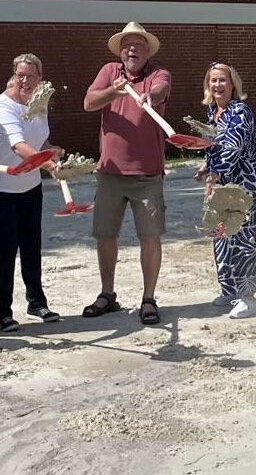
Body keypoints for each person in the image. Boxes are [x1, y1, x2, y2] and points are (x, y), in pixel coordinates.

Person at [81, 22, 172, 326]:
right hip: (110, 171)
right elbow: (89, 102)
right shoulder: (109, 71)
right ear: (120, 51)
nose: (132, 50)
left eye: (138, 45)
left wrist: (149, 96)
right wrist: (114, 90)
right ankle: (107, 294)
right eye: (127, 45)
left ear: (148, 51)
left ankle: (148, 298)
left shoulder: (157, 74)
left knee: (150, 236)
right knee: (105, 235)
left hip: (147, 174)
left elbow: (161, 90)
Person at [0, 53, 64, 332]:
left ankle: (36, 302)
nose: (25, 81)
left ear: (40, 77)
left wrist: (54, 151)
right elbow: (19, 146)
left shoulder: (39, 102)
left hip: (28, 184)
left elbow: (39, 139)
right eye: (20, 75)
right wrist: (48, 164)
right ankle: (2, 311)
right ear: (13, 74)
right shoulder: (3, 107)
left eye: (31, 76)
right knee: (6, 248)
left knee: (31, 243)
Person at [201, 63, 256, 319]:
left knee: (244, 238)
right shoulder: (213, 111)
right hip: (221, 183)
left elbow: (232, 148)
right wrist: (205, 166)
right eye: (213, 81)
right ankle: (229, 288)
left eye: (222, 81)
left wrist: (213, 172)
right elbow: (214, 148)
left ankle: (248, 297)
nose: (217, 85)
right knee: (219, 234)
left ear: (233, 84)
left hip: (246, 184)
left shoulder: (240, 111)